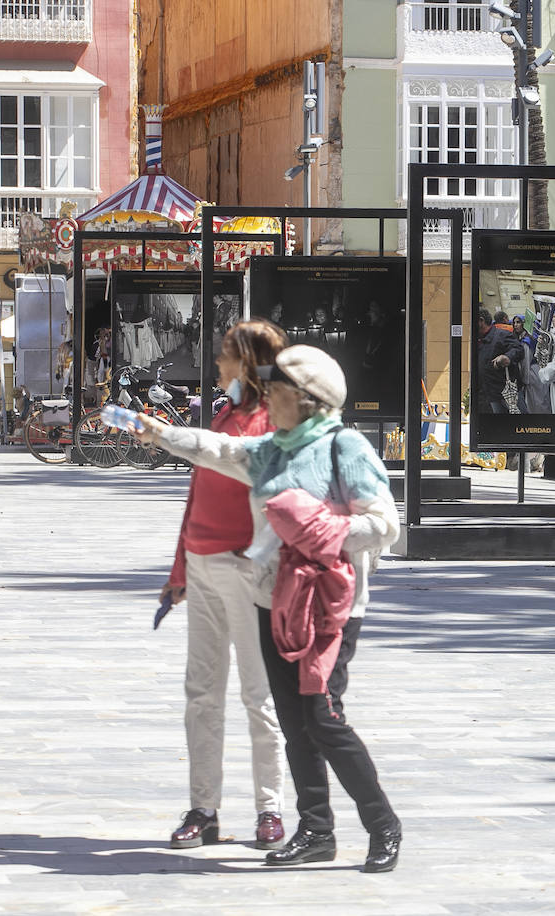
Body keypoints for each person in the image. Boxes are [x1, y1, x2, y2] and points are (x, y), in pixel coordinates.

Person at [135, 345, 404, 873]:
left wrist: (324, 530)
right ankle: (316, 830)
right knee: (293, 720)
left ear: (304, 400)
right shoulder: (270, 449)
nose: (267, 398)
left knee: (323, 718)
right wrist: (160, 433)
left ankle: (383, 825)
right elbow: (217, 449)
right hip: (271, 600)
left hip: (330, 610)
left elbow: (385, 524)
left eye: (275, 391)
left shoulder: (344, 448)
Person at [162, 318, 289, 853]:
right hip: (202, 562)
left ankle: (270, 809)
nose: (218, 365)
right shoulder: (225, 413)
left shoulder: (271, 421)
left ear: (251, 362)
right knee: (201, 693)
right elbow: (197, 496)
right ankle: (203, 807)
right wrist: (178, 570)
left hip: (245, 569)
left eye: (226, 357)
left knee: (258, 695)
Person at [475, 308, 524, 414]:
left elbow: (518, 350)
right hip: (490, 394)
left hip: (507, 393)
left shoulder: (502, 335)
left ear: (481, 321)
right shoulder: (477, 340)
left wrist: (507, 357)